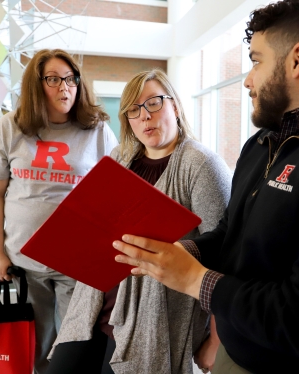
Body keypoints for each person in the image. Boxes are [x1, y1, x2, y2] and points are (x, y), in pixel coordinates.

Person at [113, 1, 299, 373]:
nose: (247, 79)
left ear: (297, 59)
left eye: (256, 61)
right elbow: (232, 235)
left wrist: (195, 279)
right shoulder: (263, 144)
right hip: (241, 349)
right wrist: (180, 251)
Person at [47, 69, 232, 374]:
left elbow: (225, 255)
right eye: (134, 109)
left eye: (154, 103)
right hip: (93, 304)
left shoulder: (201, 164)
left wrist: (217, 338)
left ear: (175, 106)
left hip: (150, 318)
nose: (144, 116)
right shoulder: (121, 156)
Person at [0, 49, 118, 374]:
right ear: (35, 85)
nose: (64, 87)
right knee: (37, 345)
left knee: (75, 344)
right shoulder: (10, 128)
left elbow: (114, 191)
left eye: (70, 79)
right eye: (53, 79)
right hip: (24, 260)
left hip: (77, 261)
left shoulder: (96, 130)